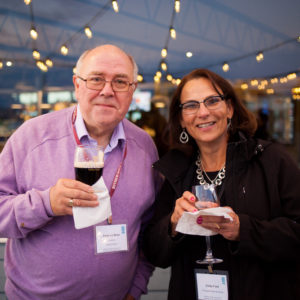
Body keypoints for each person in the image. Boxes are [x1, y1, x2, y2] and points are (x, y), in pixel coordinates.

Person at [0, 44, 160, 300]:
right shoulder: (31, 138)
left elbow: (150, 226)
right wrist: (45, 203)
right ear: (77, 84)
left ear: (132, 91)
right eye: (96, 79)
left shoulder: (144, 147)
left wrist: (136, 287)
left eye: (120, 82)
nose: (107, 91)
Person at [142, 68, 300, 300]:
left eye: (212, 101)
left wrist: (243, 231)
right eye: (191, 105)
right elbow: (155, 252)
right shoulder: (176, 172)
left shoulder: (271, 160)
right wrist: (173, 224)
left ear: (230, 108)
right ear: (181, 120)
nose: (203, 112)